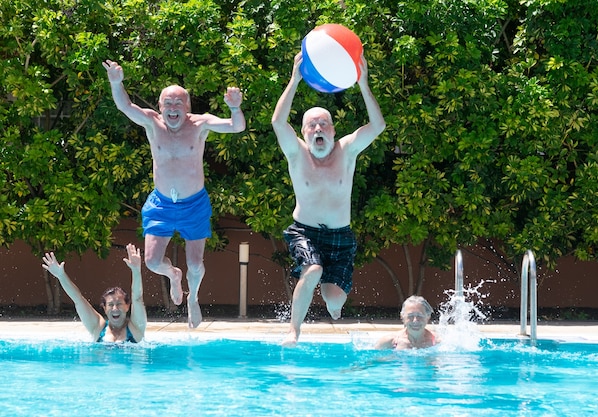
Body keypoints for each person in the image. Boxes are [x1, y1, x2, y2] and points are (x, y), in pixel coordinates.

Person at [102, 60, 246, 328]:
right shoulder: (152, 123)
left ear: (187, 108)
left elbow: (236, 126)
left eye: (178, 104)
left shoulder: (200, 124)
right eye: (167, 104)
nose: (172, 109)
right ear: (159, 107)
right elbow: (124, 106)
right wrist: (116, 82)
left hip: (194, 205)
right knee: (153, 262)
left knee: (196, 265)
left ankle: (194, 298)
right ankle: (172, 275)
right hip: (161, 205)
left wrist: (235, 107)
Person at [272, 52, 386, 346]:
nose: (318, 129)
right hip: (304, 230)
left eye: (324, 124)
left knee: (334, 300)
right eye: (312, 125)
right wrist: (295, 79)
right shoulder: (296, 153)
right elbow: (277, 122)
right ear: (303, 133)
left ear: (334, 131)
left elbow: (377, 126)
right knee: (312, 270)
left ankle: (333, 307)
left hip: (340, 237)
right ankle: (293, 330)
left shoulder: (347, 150)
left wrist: (363, 84)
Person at [42, 243, 147, 343]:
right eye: (110, 305)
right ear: (104, 308)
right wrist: (61, 276)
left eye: (119, 304)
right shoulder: (98, 327)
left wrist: (136, 271)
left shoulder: (136, 327)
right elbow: (78, 299)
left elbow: (137, 299)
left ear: (127, 306)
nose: (115, 308)